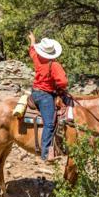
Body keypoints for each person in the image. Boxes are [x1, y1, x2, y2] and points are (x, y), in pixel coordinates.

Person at [28, 32, 68, 162]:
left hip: (34, 92)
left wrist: (32, 39)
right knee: (49, 124)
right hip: (45, 95)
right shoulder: (54, 65)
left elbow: (32, 50)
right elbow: (63, 82)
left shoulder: (37, 58)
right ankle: (45, 153)